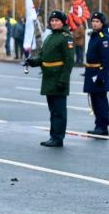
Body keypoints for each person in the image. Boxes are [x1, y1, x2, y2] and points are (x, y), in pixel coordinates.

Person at [26, 11, 75, 147]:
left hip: (58, 78)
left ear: (63, 22)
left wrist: (63, 80)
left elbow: (69, 61)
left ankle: (58, 138)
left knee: (59, 111)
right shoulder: (49, 37)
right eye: (52, 20)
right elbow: (43, 58)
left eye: (57, 20)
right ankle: (53, 135)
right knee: (53, 110)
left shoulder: (66, 38)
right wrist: (32, 61)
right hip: (48, 78)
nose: (54, 23)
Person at [83, 12, 109, 136]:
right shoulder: (94, 36)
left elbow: (106, 59)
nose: (94, 24)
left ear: (102, 23)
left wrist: (101, 76)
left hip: (98, 72)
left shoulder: (103, 37)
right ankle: (98, 124)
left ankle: (103, 126)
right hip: (91, 72)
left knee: (101, 100)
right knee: (95, 100)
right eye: (93, 21)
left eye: (97, 21)